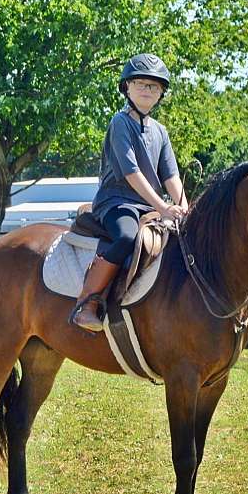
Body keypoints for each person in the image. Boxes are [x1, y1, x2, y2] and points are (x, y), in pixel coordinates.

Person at [70, 53, 188, 332]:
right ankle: (87, 303)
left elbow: (170, 175)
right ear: (127, 88)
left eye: (154, 86)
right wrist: (163, 207)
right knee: (126, 237)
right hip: (117, 202)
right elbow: (131, 173)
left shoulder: (160, 131)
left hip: (148, 206)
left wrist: (184, 206)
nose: (148, 90)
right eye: (141, 84)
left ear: (161, 93)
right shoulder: (119, 123)